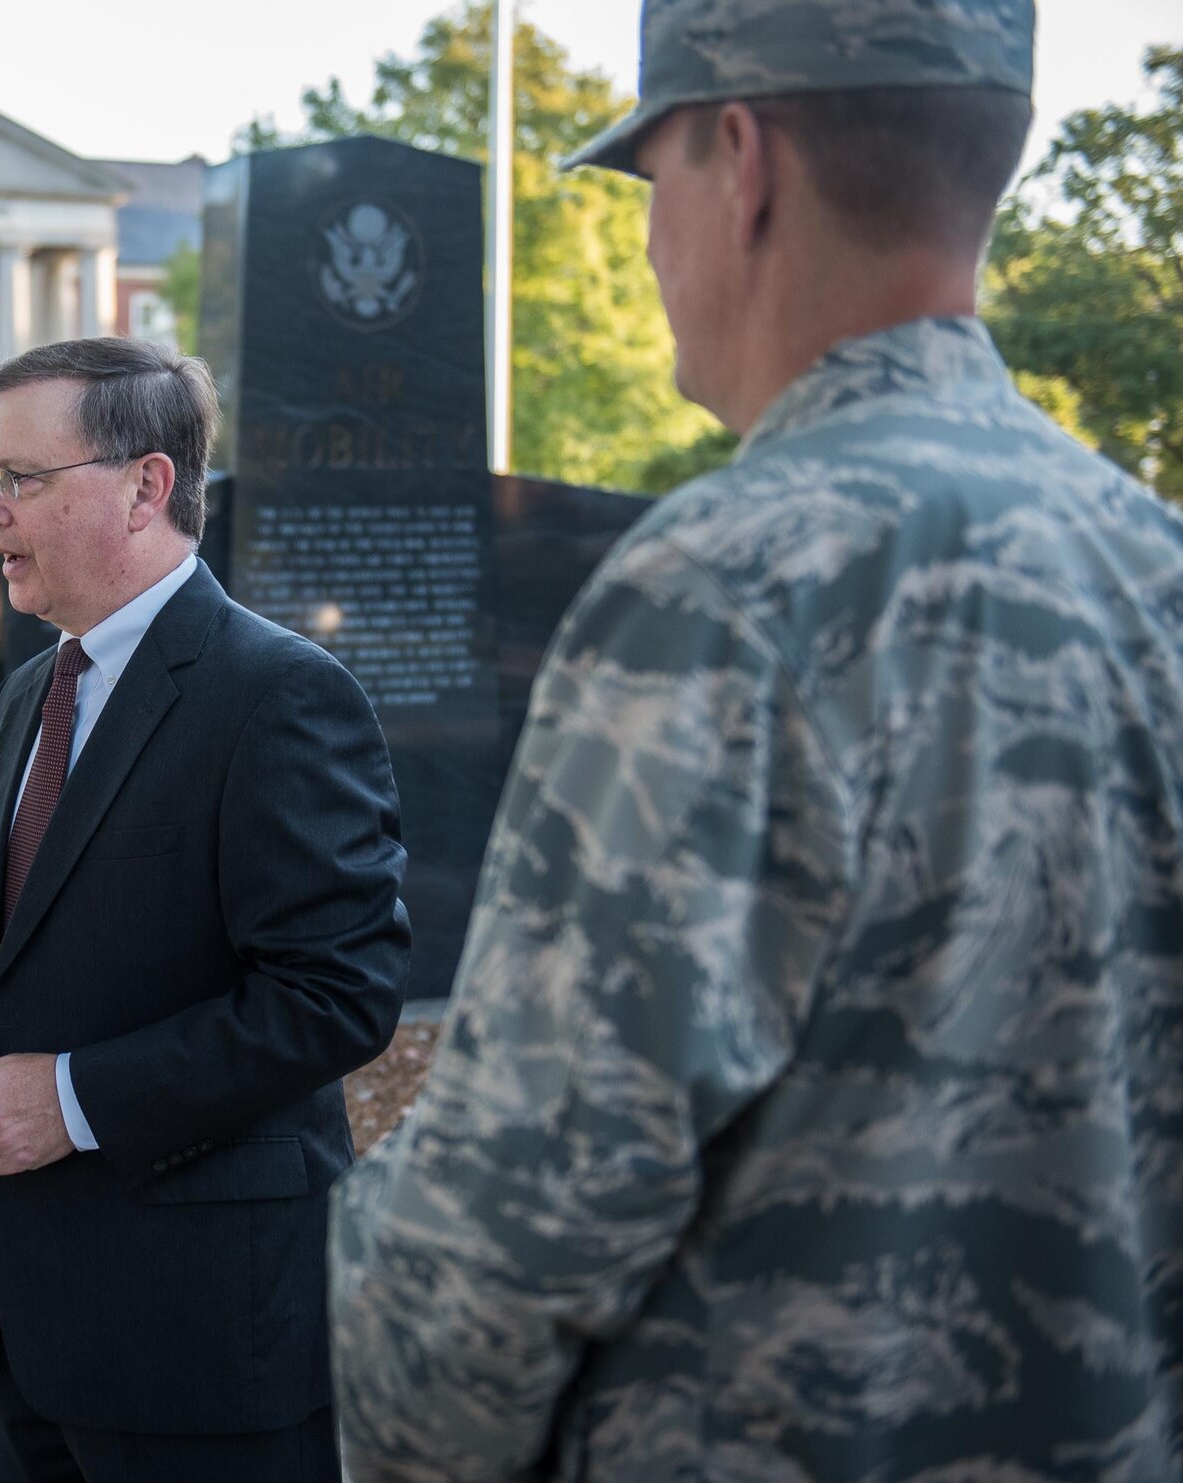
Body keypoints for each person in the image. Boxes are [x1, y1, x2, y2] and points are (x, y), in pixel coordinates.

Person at [329, 2, 1183, 1480]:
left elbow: (500, 1242)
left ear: (741, 162)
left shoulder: (722, 585)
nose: (653, 242)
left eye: (649, 177)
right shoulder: (1152, 565)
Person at [0, 336, 411, 1483]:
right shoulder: (26, 691)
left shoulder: (278, 694)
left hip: (205, 1345)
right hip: (28, 1341)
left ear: (144, 487)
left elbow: (338, 996)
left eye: (19, 478)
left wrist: (73, 1099)